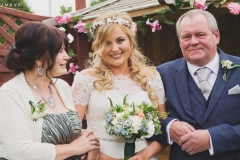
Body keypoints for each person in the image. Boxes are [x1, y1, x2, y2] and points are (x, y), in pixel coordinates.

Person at [134, 9, 240, 160]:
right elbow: (142, 119)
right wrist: (169, 127)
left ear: (216, 35)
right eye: (186, 36)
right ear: (179, 41)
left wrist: (212, 138)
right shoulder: (161, 74)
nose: (193, 41)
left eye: (200, 34)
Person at [71, 11, 167, 160]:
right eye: (107, 43)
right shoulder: (86, 79)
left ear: (131, 41)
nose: (115, 48)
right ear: (97, 47)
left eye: (120, 40)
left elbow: (163, 129)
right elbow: (73, 130)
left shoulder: (151, 76)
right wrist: (100, 155)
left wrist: (144, 155)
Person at [0, 22, 100, 160]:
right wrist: (74, 148)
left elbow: (64, 132)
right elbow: (20, 151)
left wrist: (89, 140)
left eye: (65, 50)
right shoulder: (10, 92)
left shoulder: (62, 86)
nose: (66, 56)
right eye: (59, 51)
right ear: (39, 59)